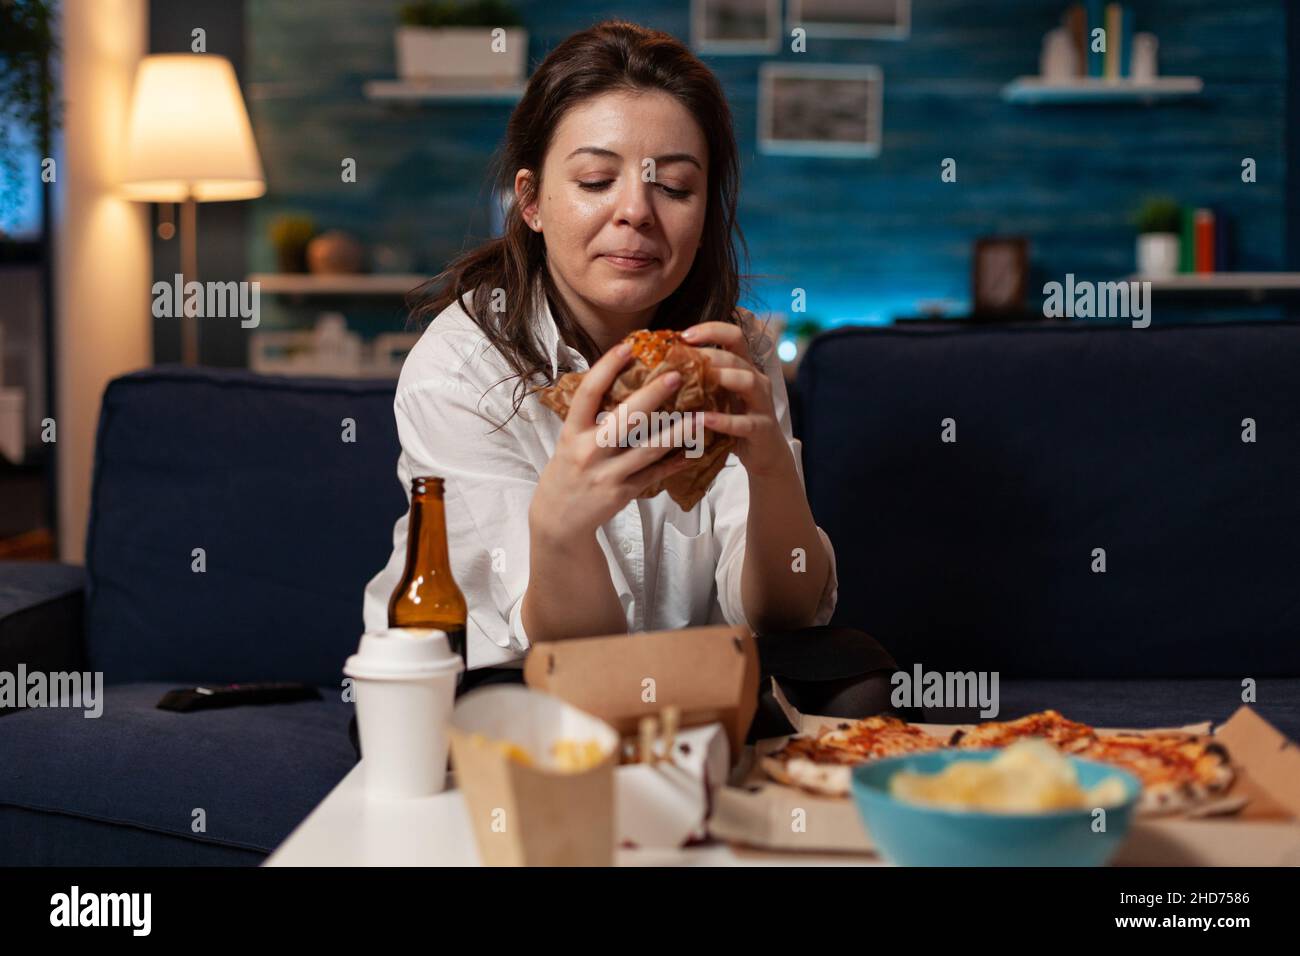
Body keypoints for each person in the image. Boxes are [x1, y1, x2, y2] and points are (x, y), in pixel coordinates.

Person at [353, 21, 894, 759]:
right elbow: (572, 651)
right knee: (474, 717)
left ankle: (702, 752)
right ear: (532, 202)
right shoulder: (459, 367)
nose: (637, 210)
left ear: (704, 214)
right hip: (522, 670)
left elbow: (787, 614)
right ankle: (697, 749)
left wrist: (771, 473)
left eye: (674, 185)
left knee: (854, 669)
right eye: (596, 180)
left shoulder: (733, 353)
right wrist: (563, 523)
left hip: (683, 672)